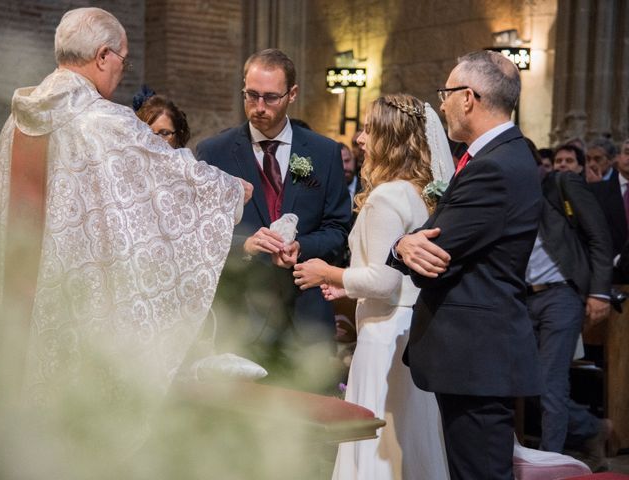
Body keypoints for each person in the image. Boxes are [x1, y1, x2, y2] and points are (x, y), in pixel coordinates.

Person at [0, 7, 250, 410]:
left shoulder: (18, 120)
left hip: (21, 289)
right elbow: (169, 174)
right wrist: (231, 190)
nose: (121, 71)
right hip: (75, 302)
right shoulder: (102, 120)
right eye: (122, 60)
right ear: (103, 55)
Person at [387, 50, 543, 480]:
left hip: (477, 353)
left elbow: (435, 255)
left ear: (468, 97)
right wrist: (406, 245)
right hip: (475, 354)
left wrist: (403, 247)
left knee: (480, 473)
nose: (442, 103)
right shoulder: (500, 156)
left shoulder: (496, 165)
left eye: (446, 93)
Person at [293, 94, 452, 479]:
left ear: (389, 138)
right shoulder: (419, 192)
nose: (360, 139)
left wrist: (327, 273)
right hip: (409, 329)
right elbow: (397, 277)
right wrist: (351, 288)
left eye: (368, 129)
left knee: (376, 445)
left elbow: (385, 280)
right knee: (407, 445)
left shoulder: (385, 196)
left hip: (384, 338)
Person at [195, 48, 350, 387]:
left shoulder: (323, 153)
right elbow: (198, 235)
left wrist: (302, 246)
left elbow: (338, 229)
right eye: (251, 96)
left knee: (310, 428)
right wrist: (245, 245)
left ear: (292, 94)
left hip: (305, 315)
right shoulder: (214, 153)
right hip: (242, 319)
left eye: (270, 97)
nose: (259, 107)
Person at [525, 143, 613, 463]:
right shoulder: (504, 197)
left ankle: (551, 463)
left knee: (550, 382)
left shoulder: (561, 184)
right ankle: (591, 429)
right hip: (523, 298)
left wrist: (599, 292)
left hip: (560, 293)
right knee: (527, 381)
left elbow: (599, 235)